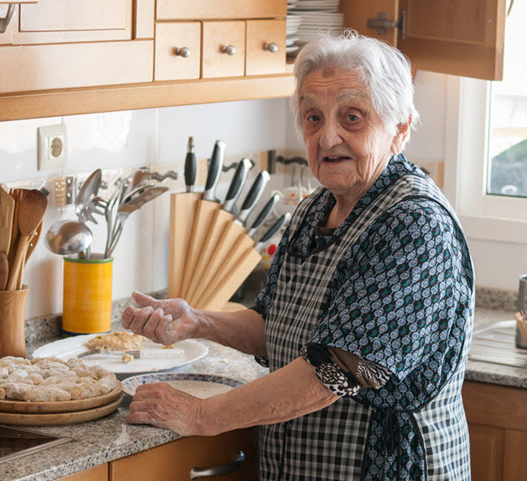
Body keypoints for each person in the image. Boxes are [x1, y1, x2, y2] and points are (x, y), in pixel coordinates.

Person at [122, 31, 474, 481]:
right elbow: (277, 324)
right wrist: (200, 321)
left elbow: (335, 371)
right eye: (313, 117)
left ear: (399, 128)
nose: (328, 137)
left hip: (384, 468)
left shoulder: (413, 225)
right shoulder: (316, 209)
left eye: (352, 117)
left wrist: (201, 415)